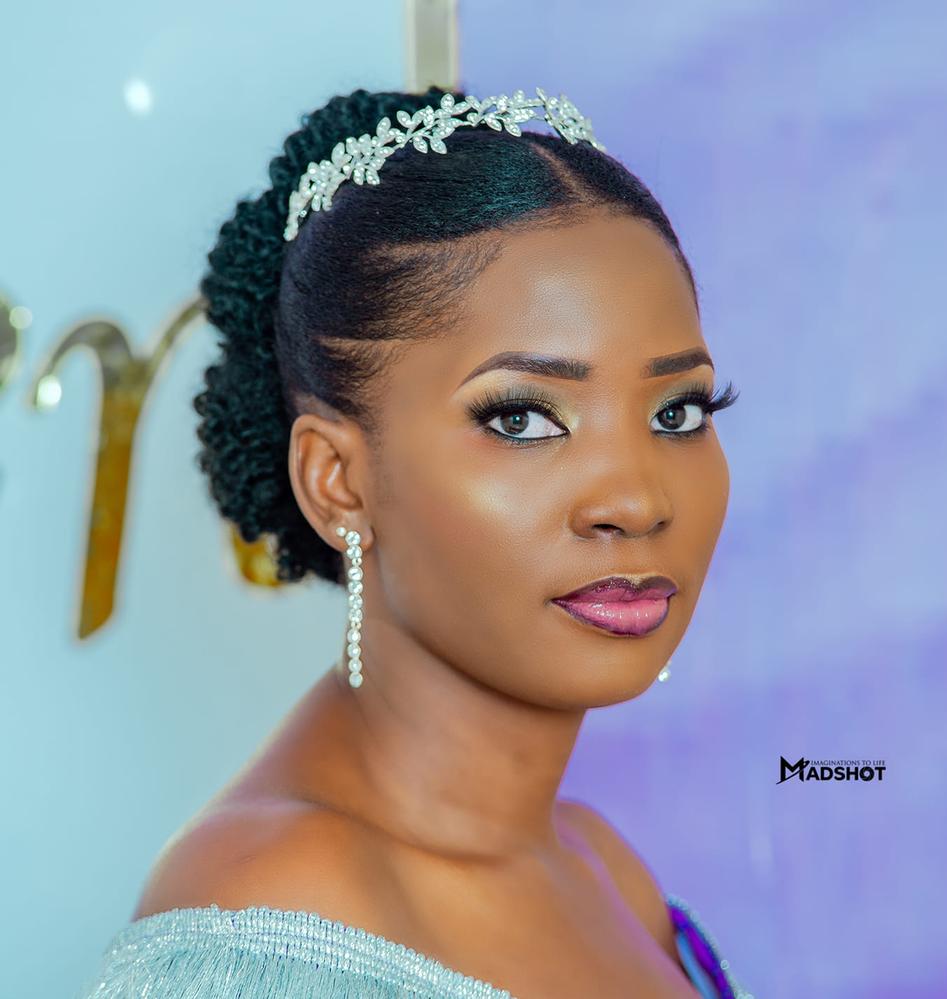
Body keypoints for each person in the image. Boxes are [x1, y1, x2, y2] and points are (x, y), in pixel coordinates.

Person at [77, 85, 753, 998]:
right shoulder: (270, 923)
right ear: (337, 480)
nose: (635, 499)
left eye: (678, 411)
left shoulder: (608, 870)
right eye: (522, 418)